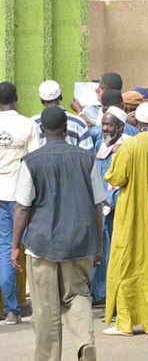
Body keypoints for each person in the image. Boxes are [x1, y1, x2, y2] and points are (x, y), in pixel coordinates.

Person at [12, 106, 104, 361]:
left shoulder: (31, 161)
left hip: (42, 245)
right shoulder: (87, 159)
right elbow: (98, 205)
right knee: (78, 296)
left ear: (42, 130)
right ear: (66, 129)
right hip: (80, 242)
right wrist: (97, 244)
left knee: (45, 308)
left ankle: (48, 358)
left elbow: (22, 207)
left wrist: (15, 245)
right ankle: (85, 343)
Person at [102, 103, 148, 336]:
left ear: (135, 122)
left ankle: (125, 322)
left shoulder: (130, 146)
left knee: (127, 263)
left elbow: (115, 176)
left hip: (130, 215)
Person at [0, 82, 40, 326]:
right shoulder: (28, 125)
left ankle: (12, 310)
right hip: (21, 194)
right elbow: (34, 162)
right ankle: (38, 305)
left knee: (5, 249)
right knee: (32, 247)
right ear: (17, 97)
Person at [90, 107, 129, 308]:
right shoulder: (100, 144)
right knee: (101, 251)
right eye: (103, 124)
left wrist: (110, 201)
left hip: (118, 206)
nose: (104, 128)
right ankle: (99, 293)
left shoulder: (127, 146)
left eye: (109, 124)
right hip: (101, 207)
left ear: (120, 126)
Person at [31, 80, 93, 150]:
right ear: (61, 96)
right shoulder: (78, 122)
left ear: (41, 100)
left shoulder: (32, 123)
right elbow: (88, 152)